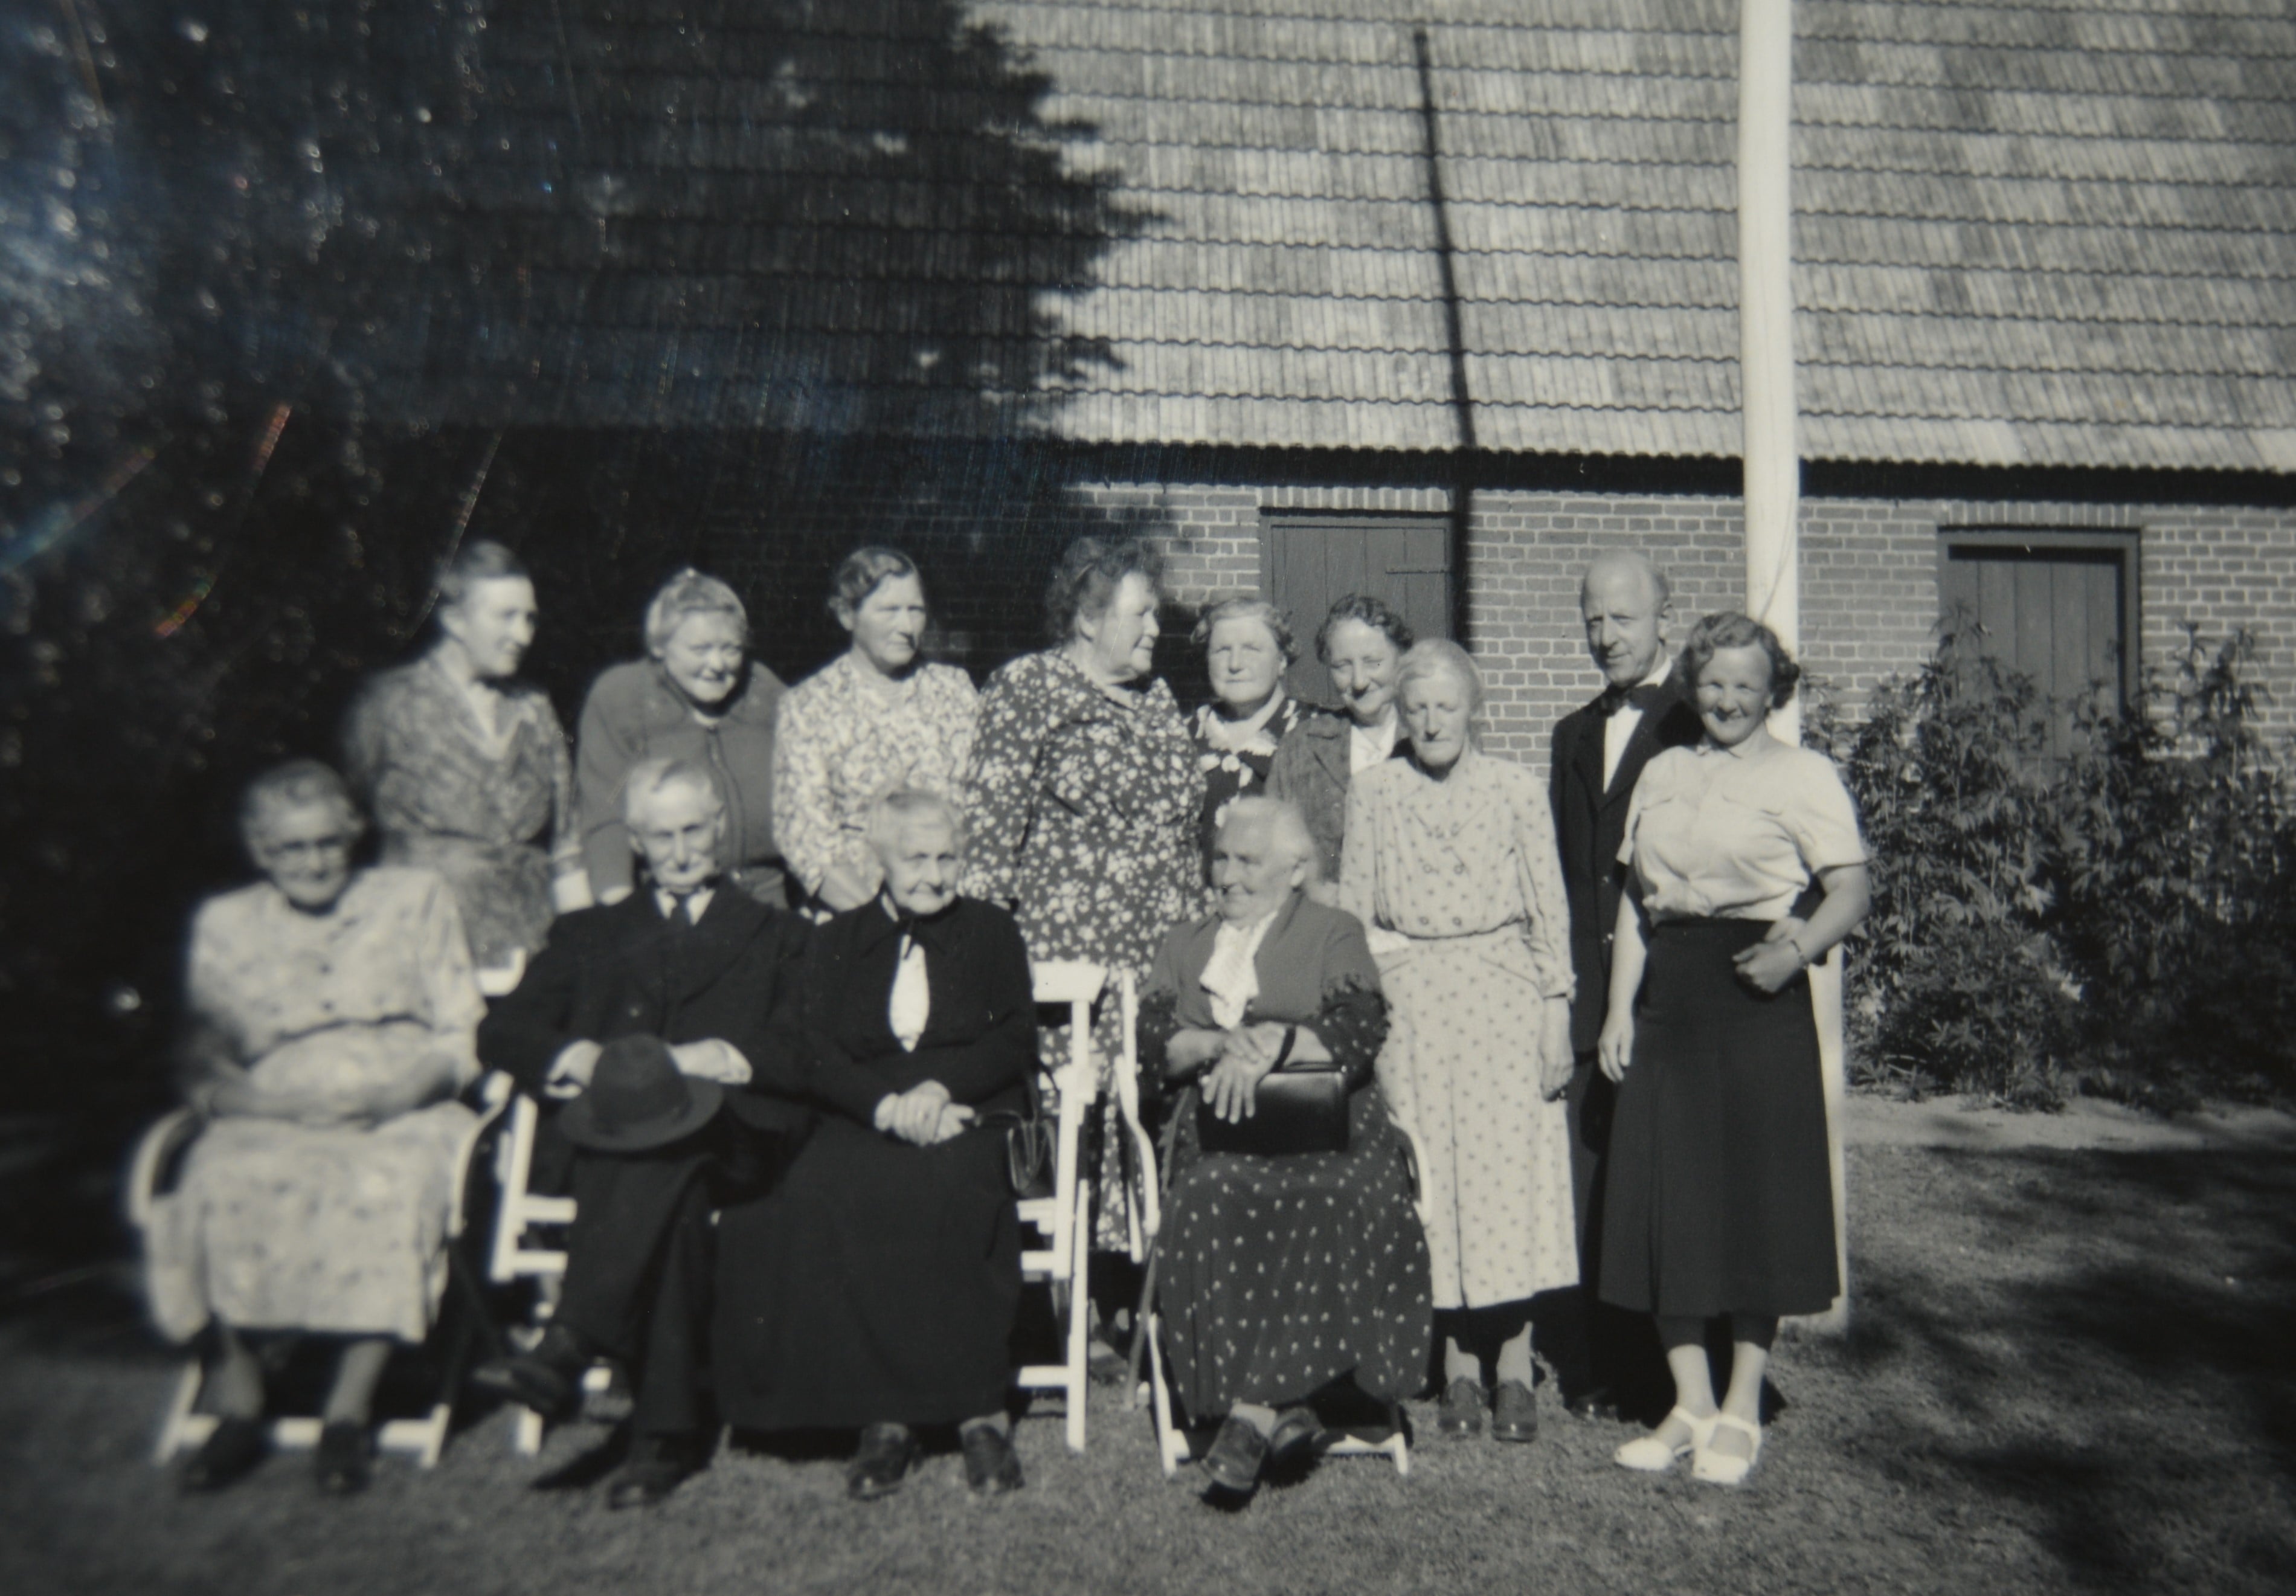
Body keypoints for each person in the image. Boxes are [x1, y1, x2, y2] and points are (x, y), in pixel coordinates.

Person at [474, 756, 814, 1508]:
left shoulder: (778, 934)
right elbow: (505, 1029)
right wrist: (579, 1054)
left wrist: (726, 1056)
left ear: (722, 826)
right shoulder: (591, 932)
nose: (683, 849)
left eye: (695, 828)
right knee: (667, 1185)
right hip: (631, 1158)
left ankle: (571, 1341)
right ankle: (663, 1435)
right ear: (634, 840)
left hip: (734, 1139)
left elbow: (807, 1048)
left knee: (673, 1148)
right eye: (662, 836)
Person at [144, 761, 483, 1496]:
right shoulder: (226, 924)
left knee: (388, 1180)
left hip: (401, 1092)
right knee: (215, 1178)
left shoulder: (413, 897)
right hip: (273, 1101)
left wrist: (397, 1097)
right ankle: (240, 1402)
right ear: (261, 850)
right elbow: (204, 1064)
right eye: (292, 848)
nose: (314, 861)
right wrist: (276, 1109)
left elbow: (459, 1034)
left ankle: (346, 1413)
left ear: (354, 836)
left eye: (328, 842)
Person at [1599, 613, 1870, 1486]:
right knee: (1665, 1197)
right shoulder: (1664, 770)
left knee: (1755, 1202)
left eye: (1745, 684)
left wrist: (1794, 947)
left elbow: (1849, 887)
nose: (1726, 698)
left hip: (1757, 996)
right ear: (1690, 683)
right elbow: (1637, 906)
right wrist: (1618, 1011)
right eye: (1712, 681)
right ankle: (1689, 1404)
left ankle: (1744, 1406)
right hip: (1669, 997)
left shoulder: (1804, 774)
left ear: (1772, 688)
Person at [715, 791, 1035, 1499]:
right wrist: (886, 1106)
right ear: (878, 859)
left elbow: (1012, 1036)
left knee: (954, 1187)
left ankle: (981, 1412)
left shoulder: (992, 930)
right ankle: (885, 1419)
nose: (934, 871)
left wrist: (938, 1090)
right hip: (866, 1108)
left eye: (947, 855)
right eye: (916, 856)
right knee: (830, 1186)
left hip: (969, 1102)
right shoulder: (833, 939)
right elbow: (817, 1049)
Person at [1137, 798, 1431, 1505]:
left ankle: (1252, 1411)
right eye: (1220, 858)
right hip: (1218, 1130)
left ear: (1297, 868)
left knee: (1338, 1192)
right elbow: (1153, 1047)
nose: (1227, 876)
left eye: (1248, 860)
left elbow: (1361, 1029)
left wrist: (1271, 1042)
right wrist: (1217, 1044)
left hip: (1331, 1127)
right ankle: (1286, 1405)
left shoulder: (1334, 931)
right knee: (1214, 1194)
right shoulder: (1186, 940)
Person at [1337, 640, 1577, 1444]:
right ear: (1399, 715)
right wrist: (1373, 1024)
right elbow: (1357, 916)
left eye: (1448, 705)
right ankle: (1456, 1370)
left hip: (1503, 998)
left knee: (1504, 1181)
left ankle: (1513, 1362)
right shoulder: (1373, 792)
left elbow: (1549, 908)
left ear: (1474, 708)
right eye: (1417, 708)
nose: (1433, 721)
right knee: (1431, 1182)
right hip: (1413, 1007)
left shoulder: (1514, 789)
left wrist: (1555, 1013)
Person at [961, 533, 1205, 1269]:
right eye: (1142, 614)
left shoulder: (1157, 699)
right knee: (1074, 1113)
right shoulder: (1027, 688)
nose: (1157, 631)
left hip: (1157, 952)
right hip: (1068, 956)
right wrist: (991, 961)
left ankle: (1140, 1286)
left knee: (1145, 1107)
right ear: (1088, 618)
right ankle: (1073, 1298)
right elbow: (987, 835)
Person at [1545, 553, 1705, 1419]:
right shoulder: (1571, 733)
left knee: (1666, 1185)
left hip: (1669, 992)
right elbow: (1569, 874)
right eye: (1592, 618)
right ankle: (1605, 1364)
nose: (1605, 634)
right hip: (1585, 993)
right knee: (1594, 1180)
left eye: (1622, 618)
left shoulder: (1695, 719)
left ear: (1662, 620)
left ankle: (1674, 1372)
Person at [344, 541, 587, 973]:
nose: (524, 635)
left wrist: (586, 960)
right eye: (506, 617)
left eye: (529, 618)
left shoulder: (535, 708)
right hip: (421, 956)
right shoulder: (388, 704)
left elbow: (566, 848)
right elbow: (346, 830)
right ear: (454, 618)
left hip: (531, 961)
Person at [771, 547, 979, 915]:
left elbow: (980, 811)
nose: (906, 627)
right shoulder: (810, 705)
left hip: (952, 909)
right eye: (888, 611)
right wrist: (878, 924)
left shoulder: (955, 691)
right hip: (854, 918)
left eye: (915, 610)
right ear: (847, 615)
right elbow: (807, 838)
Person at [575, 568, 789, 908]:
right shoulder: (621, 697)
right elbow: (605, 816)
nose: (718, 664)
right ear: (660, 646)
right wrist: (621, 915)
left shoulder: (764, 691)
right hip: (666, 905)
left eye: (731, 649)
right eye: (700, 649)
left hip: (766, 901)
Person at [1267, 594, 1413, 891]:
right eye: (1342, 666)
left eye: (1373, 663)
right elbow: (1272, 852)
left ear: (1401, 660)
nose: (1359, 681)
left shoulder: (1428, 742)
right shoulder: (1302, 747)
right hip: (1326, 924)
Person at [1185, 597, 1310, 869]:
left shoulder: (1316, 734)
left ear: (1282, 660)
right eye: (1221, 650)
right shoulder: (1182, 735)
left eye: (1252, 649)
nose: (1235, 664)